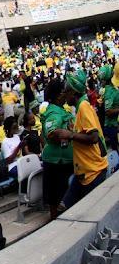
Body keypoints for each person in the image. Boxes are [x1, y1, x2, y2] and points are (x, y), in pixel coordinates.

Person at [52, 70, 108, 209]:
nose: (64, 94)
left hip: (93, 172)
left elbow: (94, 137)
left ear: (73, 92)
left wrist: (70, 135)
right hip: (84, 172)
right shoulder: (80, 107)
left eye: (66, 90)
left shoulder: (83, 107)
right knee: (64, 207)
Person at [41, 78, 74, 220]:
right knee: (56, 199)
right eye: (65, 92)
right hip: (57, 163)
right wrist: (70, 135)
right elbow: (52, 132)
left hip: (64, 161)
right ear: (60, 94)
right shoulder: (53, 113)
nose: (67, 94)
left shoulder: (60, 109)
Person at [100, 63, 119, 151]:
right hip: (112, 127)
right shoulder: (109, 92)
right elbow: (108, 112)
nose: (101, 82)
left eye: (102, 80)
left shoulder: (112, 90)